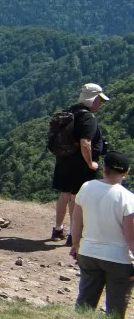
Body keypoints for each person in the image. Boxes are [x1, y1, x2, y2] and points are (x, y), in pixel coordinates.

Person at [70, 149, 134, 319]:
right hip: (118, 259)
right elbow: (131, 238)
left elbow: (77, 221)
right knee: (115, 309)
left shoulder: (86, 187)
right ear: (125, 172)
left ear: (104, 168)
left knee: (84, 302)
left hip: (88, 252)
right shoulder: (128, 199)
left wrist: (76, 245)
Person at [51, 84, 109, 242]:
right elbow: (85, 142)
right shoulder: (88, 118)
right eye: (99, 99)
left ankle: (57, 230)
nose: (100, 103)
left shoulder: (70, 111)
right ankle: (73, 235)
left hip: (64, 160)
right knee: (77, 198)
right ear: (92, 99)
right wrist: (90, 163)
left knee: (64, 194)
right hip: (80, 165)